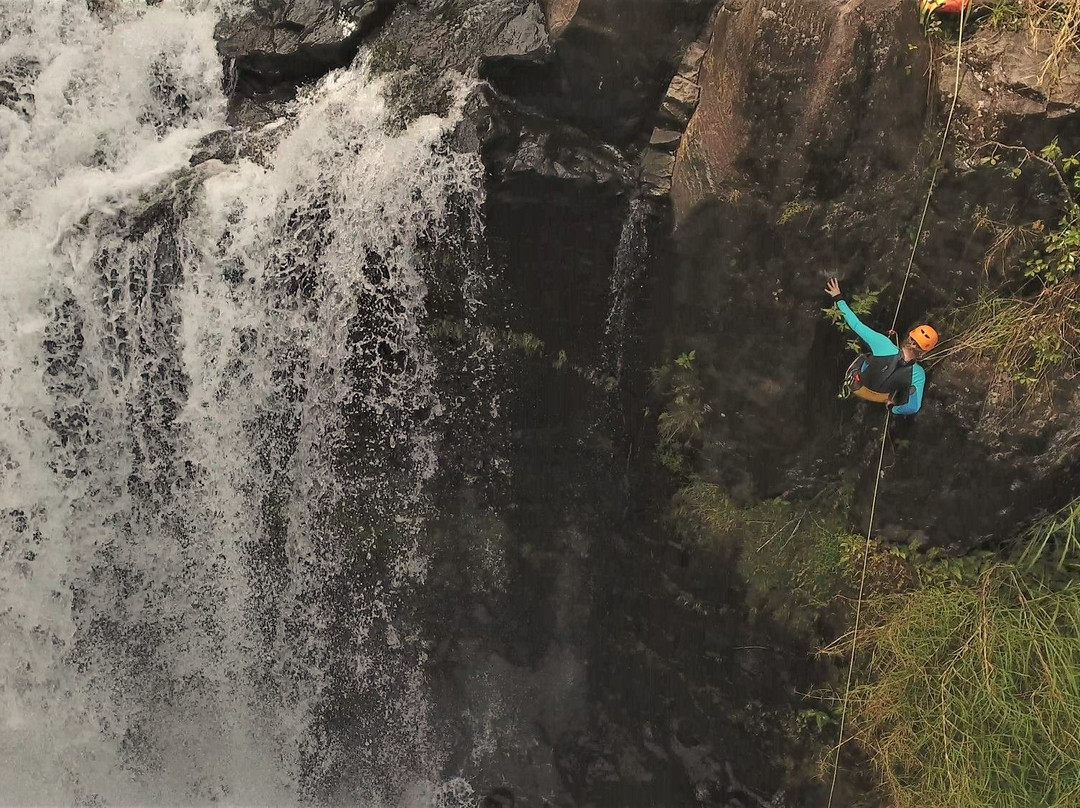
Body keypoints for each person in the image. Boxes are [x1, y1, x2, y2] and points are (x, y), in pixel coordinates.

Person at [825, 278, 937, 415]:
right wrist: (892, 408)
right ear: (925, 352)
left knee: (864, 357)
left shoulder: (883, 344)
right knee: (903, 388)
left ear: (909, 336)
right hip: (880, 398)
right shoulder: (918, 374)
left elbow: (856, 324)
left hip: (857, 385)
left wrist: (838, 297)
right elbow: (913, 407)